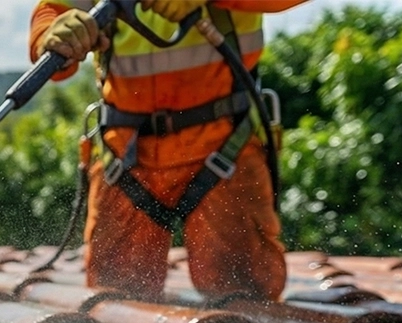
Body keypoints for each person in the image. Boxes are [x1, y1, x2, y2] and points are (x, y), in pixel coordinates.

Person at [31, 0, 307, 300]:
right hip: (127, 156)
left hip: (222, 144)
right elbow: (55, 11)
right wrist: (52, 33)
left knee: (246, 299)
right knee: (115, 302)